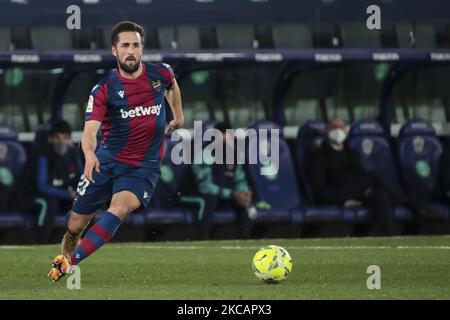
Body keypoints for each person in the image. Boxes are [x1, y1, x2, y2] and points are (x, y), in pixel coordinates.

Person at [48, 21, 183, 281]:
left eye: (135, 45)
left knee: (120, 208)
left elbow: (173, 86)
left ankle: (68, 262)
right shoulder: (104, 89)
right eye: (125, 46)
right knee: (76, 223)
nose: (130, 51)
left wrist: (178, 116)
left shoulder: (160, 74)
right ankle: (71, 238)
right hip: (106, 161)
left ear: (142, 49)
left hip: (144, 166)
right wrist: (89, 153)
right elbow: (89, 131)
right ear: (114, 51)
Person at [310, 117, 437, 236]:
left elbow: (360, 176)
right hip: (339, 194)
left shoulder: (351, 152)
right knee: (375, 177)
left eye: (341, 127)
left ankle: (390, 238)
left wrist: (366, 190)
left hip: (357, 192)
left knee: (381, 195)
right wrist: (342, 201)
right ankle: (415, 207)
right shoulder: (319, 156)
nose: (338, 130)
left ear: (346, 131)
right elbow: (319, 188)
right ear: (327, 131)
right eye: (334, 127)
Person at [190, 122, 254, 240]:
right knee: (210, 200)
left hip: (226, 194)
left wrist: (243, 192)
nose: (227, 142)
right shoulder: (204, 155)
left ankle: (246, 240)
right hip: (197, 194)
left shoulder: (234, 155)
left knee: (245, 205)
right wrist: (231, 194)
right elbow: (205, 186)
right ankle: (203, 241)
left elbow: (240, 178)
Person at [35, 120, 81, 244]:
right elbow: (42, 186)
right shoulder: (43, 154)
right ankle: (41, 243)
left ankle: (81, 246)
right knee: (49, 204)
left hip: (65, 197)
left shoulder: (73, 153)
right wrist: (68, 194)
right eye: (57, 138)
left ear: (70, 139)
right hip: (37, 197)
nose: (61, 142)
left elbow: (81, 179)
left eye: (65, 138)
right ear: (50, 139)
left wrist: (78, 194)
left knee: (83, 203)